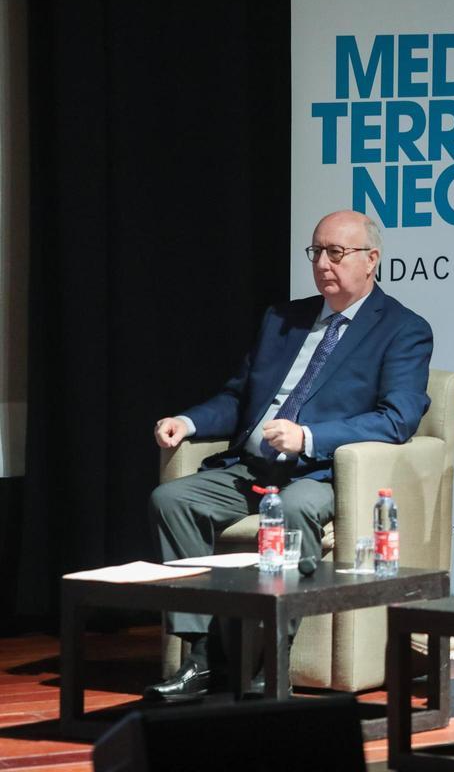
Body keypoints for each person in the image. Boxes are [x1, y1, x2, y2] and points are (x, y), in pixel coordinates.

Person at [145, 210, 433, 702]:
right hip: (251, 469)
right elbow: (240, 398)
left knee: (297, 507)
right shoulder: (282, 319)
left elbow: (396, 419)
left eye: (336, 253)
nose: (323, 263)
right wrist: (189, 422)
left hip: (318, 473)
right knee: (172, 499)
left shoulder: (403, 329)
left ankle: (276, 654)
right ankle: (202, 657)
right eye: (316, 252)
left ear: (371, 260)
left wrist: (309, 437)